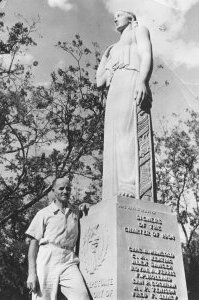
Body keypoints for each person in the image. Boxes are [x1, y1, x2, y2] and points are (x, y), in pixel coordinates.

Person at [96, 10, 154, 201]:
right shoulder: (113, 48)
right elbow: (99, 82)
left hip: (131, 79)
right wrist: (105, 56)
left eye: (119, 15)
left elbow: (146, 55)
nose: (115, 18)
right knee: (114, 137)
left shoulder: (139, 30)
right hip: (115, 89)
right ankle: (113, 190)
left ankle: (130, 184)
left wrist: (142, 81)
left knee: (127, 132)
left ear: (131, 18)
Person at [26, 177, 90, 300]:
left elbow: (87, 212)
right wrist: (32, 274)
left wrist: (88, 205)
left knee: (82, 296)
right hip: (48, 258)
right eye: (61, 188)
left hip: (69, 259)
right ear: (54, 191)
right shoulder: (43, 213)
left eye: (68, 189)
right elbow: (33, 244)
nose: (65, 191)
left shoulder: (75, 211)